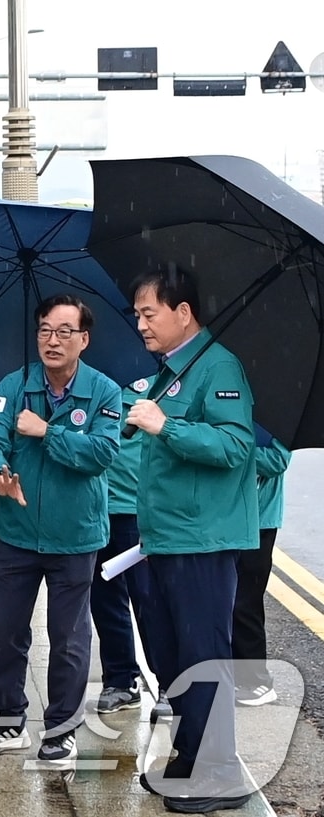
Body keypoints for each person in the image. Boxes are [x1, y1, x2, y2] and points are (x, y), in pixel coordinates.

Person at [0, 294, 120, 768]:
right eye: (45, 330)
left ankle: (61, 730)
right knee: (7, 630)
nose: (53, 340)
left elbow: (101, 454)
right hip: (16, 533)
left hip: (75, 535)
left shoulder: (104, 391)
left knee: (69, 638)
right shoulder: (14, 385)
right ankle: (8, 718)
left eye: (65, 331)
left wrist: (47, 432)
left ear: (84, 339)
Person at [127, 267, 258, 814]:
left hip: (202, 540)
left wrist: (167, 426)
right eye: (136, 314)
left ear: (183, 313)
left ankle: (220, 772)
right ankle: (190, 755)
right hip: (167, 537)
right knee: (172, 653)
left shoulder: (218, 366)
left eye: (149, 313)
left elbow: (235, 446)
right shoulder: (173, 369)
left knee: (204, 656)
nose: (140, 324)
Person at [90, 379, 171, 721]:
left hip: (137, 509)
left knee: (150, 600)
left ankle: (170, 682)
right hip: (93, 506)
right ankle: (121, 680)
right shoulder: (86, 382)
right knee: (103, 600)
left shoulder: (159, 383)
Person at [233, 427, 291, 706]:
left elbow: (277, 461)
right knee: (223, 601)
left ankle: (256, 681)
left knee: (245, 603)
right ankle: (232, 675)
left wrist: (230, 449)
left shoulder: (278, 417)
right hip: (224, 518)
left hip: (259, 521)